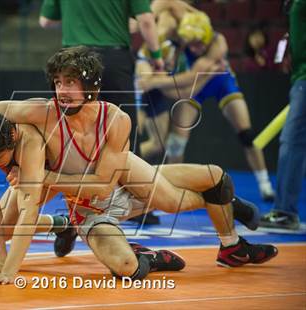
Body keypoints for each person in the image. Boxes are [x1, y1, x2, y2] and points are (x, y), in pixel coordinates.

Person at [0, 46, 277, 285]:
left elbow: (101, 185)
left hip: (109, 177)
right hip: (83, 200)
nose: (61, 91)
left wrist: (44, 177)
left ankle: (227, 211)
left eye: (70, 82)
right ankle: (85, 231)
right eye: (57, 83)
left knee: (179, 197)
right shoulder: (39, 115)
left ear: (90, 86)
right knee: (125, 267)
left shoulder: (114, 119)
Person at [39, 0, 164, 223]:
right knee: (123, 128)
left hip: (74, 58)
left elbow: (46, 21)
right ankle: (140, 204)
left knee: (70, 131)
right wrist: (156, 57)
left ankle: (76, 208)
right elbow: (146, 20)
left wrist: (78, 21)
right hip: (113, 59)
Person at [139, 0, 275, 201]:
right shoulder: (181, 31)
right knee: (176, 142)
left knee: (246, 134)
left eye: (199, 43)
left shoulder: (218, 43)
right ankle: (173, 187)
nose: (194, 48)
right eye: (190, 44)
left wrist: (154, 81)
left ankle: (265, 184)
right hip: (195, 83)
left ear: (207, 37)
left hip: (219, 81)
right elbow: (185, 85)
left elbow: (188, 83)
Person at [260, 0, 306, 230]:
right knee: (295, 142)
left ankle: (285, 212)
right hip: (300, 76)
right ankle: (285, 211)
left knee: (293, 141)